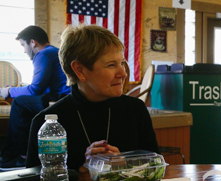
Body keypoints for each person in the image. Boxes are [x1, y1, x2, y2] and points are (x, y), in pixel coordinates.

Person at [25, 24, 159, 171]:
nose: (123, 73)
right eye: (111, 65)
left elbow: (155, 166)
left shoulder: (135, 109)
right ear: (80, 70)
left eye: (122, 63)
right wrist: (83, 170)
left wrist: (125, 165)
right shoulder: (46, 124)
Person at [0, 26, 71, 168]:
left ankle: (21, 155)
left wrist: (8, 92)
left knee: (20, 103)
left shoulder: (44, 54)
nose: (24, 50)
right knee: (25, 102)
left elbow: (35, 88)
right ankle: (16, 153)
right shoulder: (53, 52)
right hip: (59, 96)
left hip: (61, 98)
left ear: (32, 42)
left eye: (23, 45)